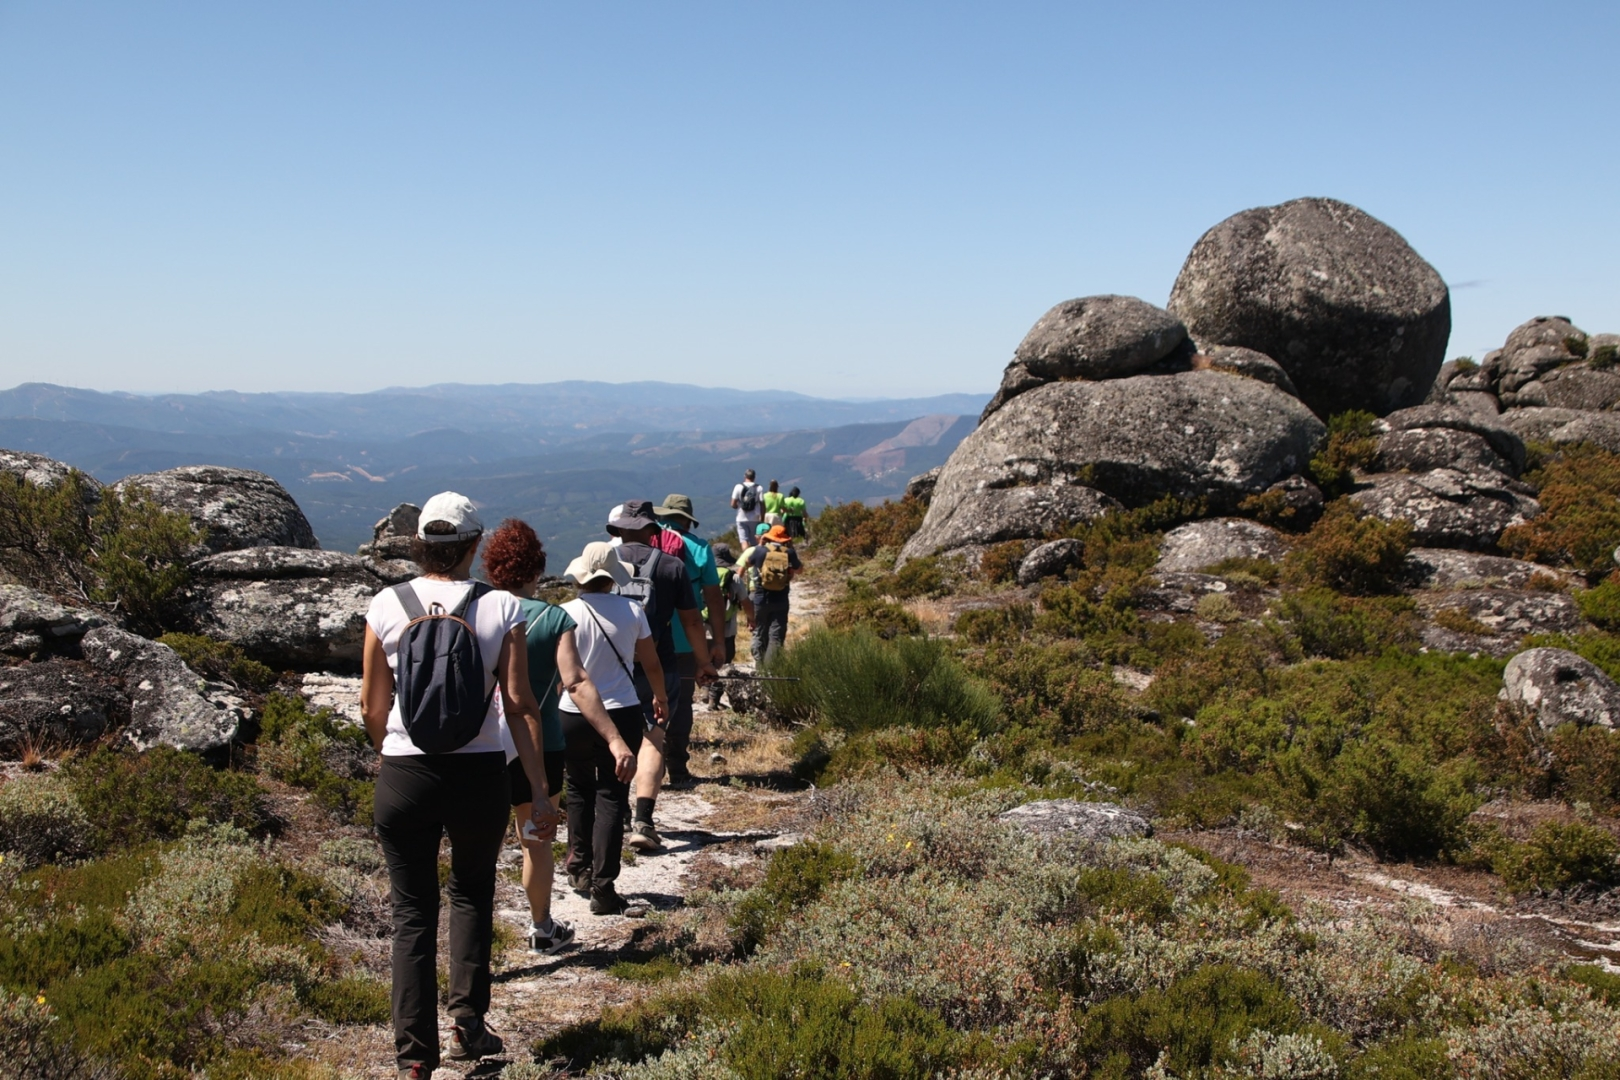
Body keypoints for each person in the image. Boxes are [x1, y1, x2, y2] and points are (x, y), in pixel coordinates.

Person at [361, 492, 554, 1077]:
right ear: (474, 545)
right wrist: (539, 790)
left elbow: (372, 705)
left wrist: (392, 751)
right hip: (478, 773)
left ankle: (413, 1060)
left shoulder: (386, 604)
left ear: (419, 545)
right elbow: (519, 704)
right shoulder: (500, 606)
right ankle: (467, 1024)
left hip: (405, 774)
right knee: (471, 892)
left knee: (411, 913)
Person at [481, 519, 621, 954]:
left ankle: (474, 937)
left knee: (479, 846)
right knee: (535, 843)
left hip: (482, 743)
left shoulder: (478, 611)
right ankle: (542, 927)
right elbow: (575, 681)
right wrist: (614, 737)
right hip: (540, 745)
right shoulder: (553, 617)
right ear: (537, 570)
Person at [604, 500, 717, 852]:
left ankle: (617, 813)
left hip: (611, 663)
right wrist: (703, 662)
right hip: (659, 662)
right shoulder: (671, 566)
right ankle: (643, 820)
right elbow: (691, 620)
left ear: (619, 530)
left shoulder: (603, 564)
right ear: (653, 530)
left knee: (614, 735)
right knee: (652, 737)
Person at [557, 542, 654, 916]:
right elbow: (650, 661)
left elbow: (562, 672)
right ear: (613, 577)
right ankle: (604, 886)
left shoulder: (565, 613)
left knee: (578, 788)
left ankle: (579, 867)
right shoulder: (632, 611)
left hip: (573, 713)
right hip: (621, 711)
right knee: (612, 795)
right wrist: (660, 696)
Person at [652, 494, 727, 789]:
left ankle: (650, 766)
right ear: (687, 520)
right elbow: (714, 598)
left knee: (648, 699)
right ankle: (678, 769)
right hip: (685, 640)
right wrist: (717, 641)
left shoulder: (646, 542)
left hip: (645, 638)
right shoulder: (699, 548)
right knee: (681, 704)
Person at [737, 522, 802, 664]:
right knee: (776, 636)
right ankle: (770, 669)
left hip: (761, 598)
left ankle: (759, 666)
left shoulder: (760, 551)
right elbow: (799, 570)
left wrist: (761, 545)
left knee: (760, 632)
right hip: (781, 599)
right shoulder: (789, 552)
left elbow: (748, 562)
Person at [703, 541, 752, 709]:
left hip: (703, 628)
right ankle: (714, 699)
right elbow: (745, 601)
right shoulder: (733, 577)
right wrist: (752, 618)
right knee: (723, 664)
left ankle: (705, 689)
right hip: (727, 630)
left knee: (705, 660)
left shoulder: (702, 575)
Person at [730, 469, 763, 549]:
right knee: (755, 542)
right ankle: (754, 556)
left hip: (741, 517)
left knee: (744, 540)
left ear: (745, 476)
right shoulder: (759, 488)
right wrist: (762, 518)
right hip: (754, 518)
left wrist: (738, 506)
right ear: (754, 477)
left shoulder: (738, 487)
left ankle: (746, 555)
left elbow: (733, 504)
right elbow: (762, 504)